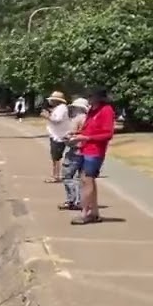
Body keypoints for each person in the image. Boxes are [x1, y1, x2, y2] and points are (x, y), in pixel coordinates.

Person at [70, 88, 116, 225]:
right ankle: (94, 212)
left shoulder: (106, 110)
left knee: (87, 180)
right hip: (86, 148)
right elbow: (88, 128)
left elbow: (108, 134)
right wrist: (76, 134)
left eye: (91, 95)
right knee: (86, 179)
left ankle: (85, 212)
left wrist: (87, 137)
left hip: (95, 151)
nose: (89, 98)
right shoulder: (92, 110)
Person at [58, 97, 89, 210]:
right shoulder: (89, 119)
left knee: (68, 176)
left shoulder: (77, 119)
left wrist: (66, 138)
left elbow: (70, 135)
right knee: (82, 178)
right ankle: (81, 201)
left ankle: (71, 200)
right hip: (86, 152)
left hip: (75, 151)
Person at [41, 91, 71, 182]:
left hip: (59, 136)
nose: (51, 102)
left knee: (56, 157)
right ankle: (55, 175)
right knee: (55, 156)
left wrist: (47, 116)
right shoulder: (59, 108)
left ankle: (56, 176)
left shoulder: (62, 108)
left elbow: (57, 120)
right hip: (56, 135)